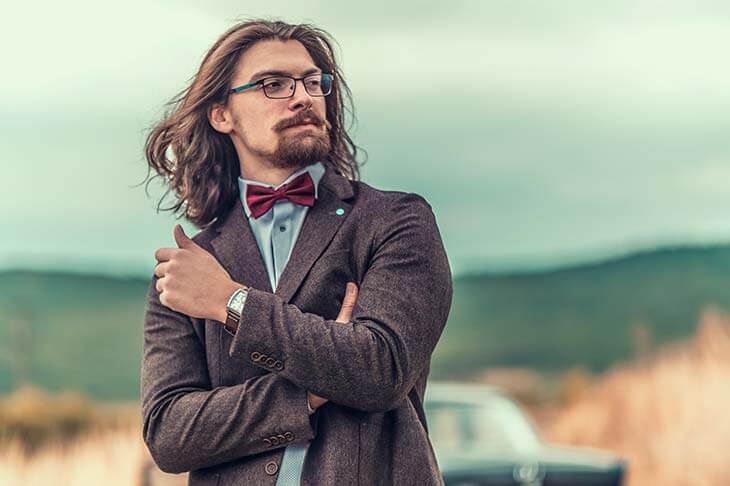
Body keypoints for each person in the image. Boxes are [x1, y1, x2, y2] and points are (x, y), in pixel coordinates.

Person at [140, 18, 453, 486]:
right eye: (273, 85)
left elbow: (380, 367)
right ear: (222, 114)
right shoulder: (190, 268)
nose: (303, 97)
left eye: (312, 82)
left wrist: (230, 303)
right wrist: (311, 388)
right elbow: (168, 433)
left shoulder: (397, 222)